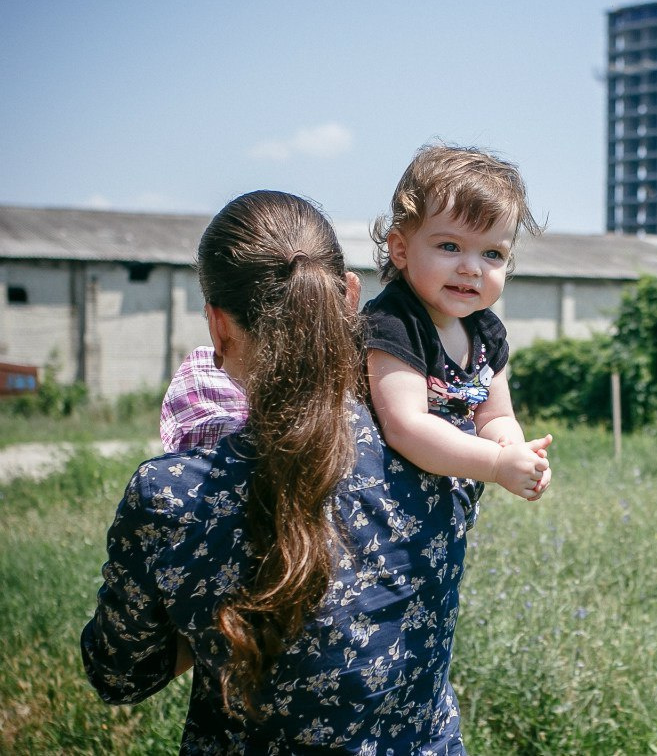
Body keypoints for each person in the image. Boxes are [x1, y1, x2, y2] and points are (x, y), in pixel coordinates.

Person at [82, 190, 483, 753]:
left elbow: (120, 674)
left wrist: (209, 615)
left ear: (218, 325)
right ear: (349, 297)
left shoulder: (170, 496)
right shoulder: (446, 453)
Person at [363, 143, 552, 521]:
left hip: (446, 510)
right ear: (400, 249)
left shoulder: (486, 332)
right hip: (382, 511)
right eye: (450, 246)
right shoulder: (395, 323)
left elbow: (494, 416)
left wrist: (514, 451)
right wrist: (495, 463)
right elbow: (405, 427)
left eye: (492, 254)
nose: (472, 268)